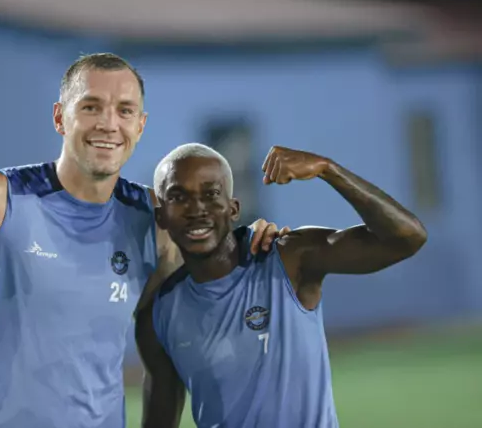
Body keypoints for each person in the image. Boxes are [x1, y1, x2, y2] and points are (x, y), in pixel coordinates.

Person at [0, 53, 288, 428]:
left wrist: (258, 242)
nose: (108, 123)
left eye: (124, 111)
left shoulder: (154, 221)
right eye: (91, 107)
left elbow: (214, 302)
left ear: (140, 126)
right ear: (59, 118)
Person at [136, 143, 427, 428]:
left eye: (211, 194)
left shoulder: (289, 258)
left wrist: (329, 169)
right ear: (162, 216)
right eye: (178, 197)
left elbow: (407, 238)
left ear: (233, 208)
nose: (196, 209)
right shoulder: (158, 315)